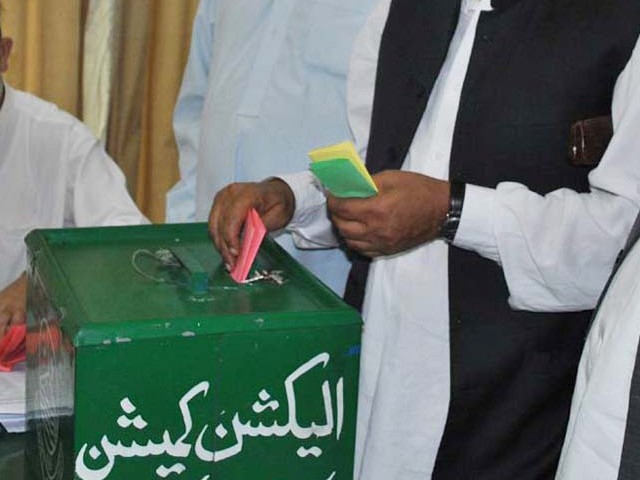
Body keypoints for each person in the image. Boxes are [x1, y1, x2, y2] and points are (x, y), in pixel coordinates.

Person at [210, 0, 640, 478]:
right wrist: (294, 197)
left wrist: (452, 211)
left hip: (516, 412)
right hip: (377, 377)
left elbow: (618, 243)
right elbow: (384, 171)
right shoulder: (401, 11)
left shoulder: (621, 21)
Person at [166, 0, 378, 296]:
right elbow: (194, 114)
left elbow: (388, 149)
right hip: (208, 260)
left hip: (321, 281)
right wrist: (184, 230)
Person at [0, 7, 147, 338]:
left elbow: (129, 246)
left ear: (3, 54)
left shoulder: (63, 142)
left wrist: (39, 283)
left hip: (29, 374)